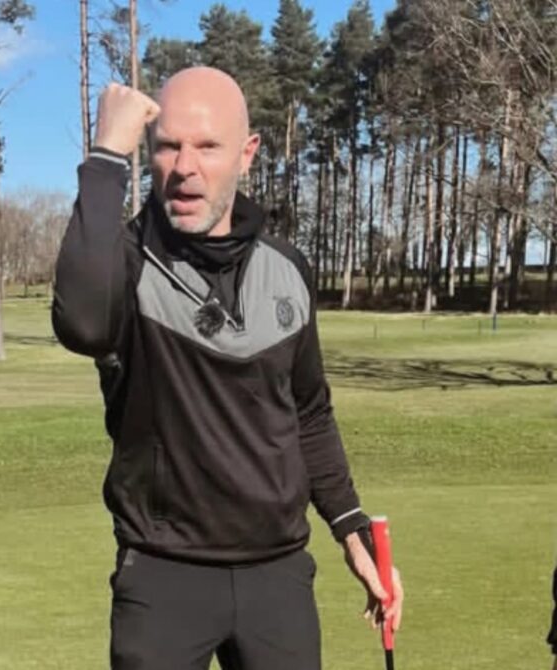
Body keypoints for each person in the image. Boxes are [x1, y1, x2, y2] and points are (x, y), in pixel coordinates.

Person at [52, 66, 404, 670]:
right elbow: (82, 323)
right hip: (162, 575)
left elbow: (308, 412)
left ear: (247, 154)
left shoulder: (286, 269)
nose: (184, 166)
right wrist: (107, 155)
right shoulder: (127, 264)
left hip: (278, 575)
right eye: (167, 146)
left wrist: (351, 529)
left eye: (207, 146)